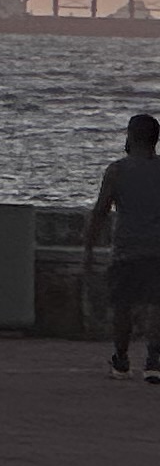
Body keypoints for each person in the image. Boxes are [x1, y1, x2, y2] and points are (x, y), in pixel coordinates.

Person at [90, 112, 160, 377]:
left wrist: (88, 248)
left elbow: (100, 212)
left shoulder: (117, 170)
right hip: (157, 248)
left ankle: (121, 359)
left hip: (126, 249)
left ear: (131, 136)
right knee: (157, 304)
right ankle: (154, 360)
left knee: (123, 306)